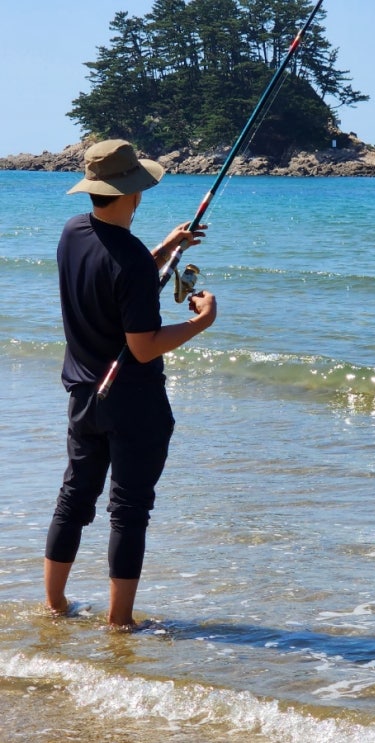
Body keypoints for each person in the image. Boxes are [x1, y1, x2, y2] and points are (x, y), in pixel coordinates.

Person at [44, 139, 217, 629]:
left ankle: (54, 606)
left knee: (75, 495)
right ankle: (121, 621)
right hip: (132, 401)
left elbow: (110, 273)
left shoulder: (73, 232)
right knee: (129, 508)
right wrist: (202, 321)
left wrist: (164, 248)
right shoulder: (134, 262)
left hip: (82, 394)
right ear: (131, 193)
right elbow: (142, 346)